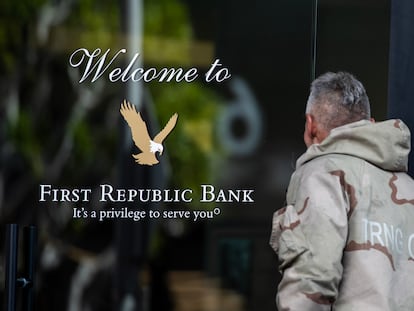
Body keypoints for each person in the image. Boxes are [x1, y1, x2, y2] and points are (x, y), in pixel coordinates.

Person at [270, 71, 414, 310]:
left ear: (310, 125)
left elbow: (312, 280)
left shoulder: (322, 174)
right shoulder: (409, 188)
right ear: (371, 126)